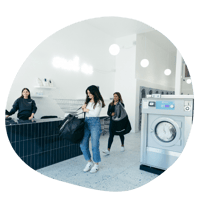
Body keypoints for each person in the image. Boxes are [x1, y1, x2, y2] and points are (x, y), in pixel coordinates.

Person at [80, 85, 105, 173]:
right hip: (86, 123)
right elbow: (87, 112)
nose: (88, 94)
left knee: (94, 145)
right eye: (87, 93)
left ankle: (96, 164)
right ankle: (89, 162)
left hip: (95, 123)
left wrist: (85, 109)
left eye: (90, 93)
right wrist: (84, 108)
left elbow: (95, 114)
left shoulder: (99, 102)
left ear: (94, 92)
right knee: (83, 144)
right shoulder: (88, 101)